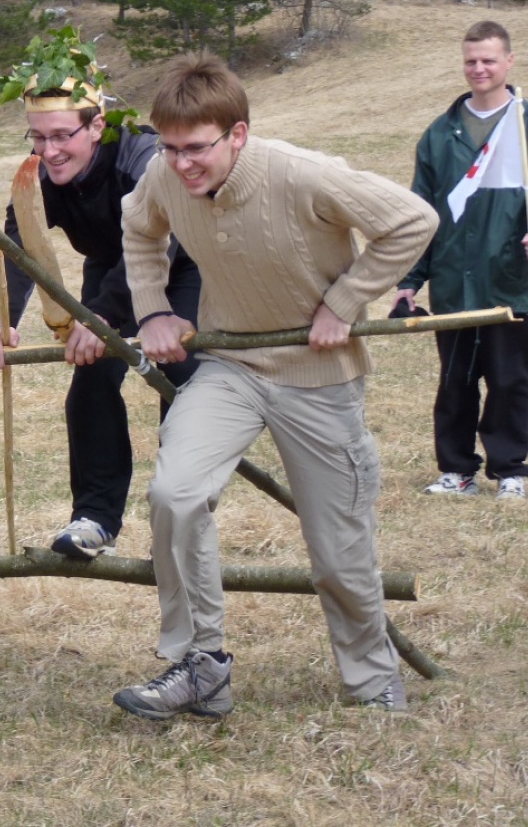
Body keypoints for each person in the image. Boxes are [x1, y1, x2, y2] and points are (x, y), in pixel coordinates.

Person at [115, 53, 438, 720]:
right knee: (175, 494)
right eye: (170, 148)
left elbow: (412, 220)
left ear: (238, 135)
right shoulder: (164, 174)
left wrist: (345, 302)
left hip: (319, 379)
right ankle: (201, 666)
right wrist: (152, 308)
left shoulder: (304, 173)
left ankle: (373, 682)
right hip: (233, 366)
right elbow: (139, 227)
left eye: (197, 148)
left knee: (338, 550)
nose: (181, 164)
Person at [0, 75, 200, 560]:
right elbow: (17, 247)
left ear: (96, 126)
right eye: (37, 136)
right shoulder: (41, 176)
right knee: (89, 383)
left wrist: (103, 317)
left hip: (181, 264)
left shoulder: (143, 158)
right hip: (109, 266)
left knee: (182, 379)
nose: (47, 151)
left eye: (60, 136)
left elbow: (161, 240)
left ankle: (180, 518)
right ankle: (94, 519)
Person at [394, 21, 528, 501]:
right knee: (455, 381)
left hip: (511, 282)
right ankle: (456, 471)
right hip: (454, 285)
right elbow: (422, 215)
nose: (479, 68)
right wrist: (410, 281)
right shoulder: (439, 134)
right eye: (471, 60)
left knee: (511, 380)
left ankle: (509, 469)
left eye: (489, 60)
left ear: (508, 62)